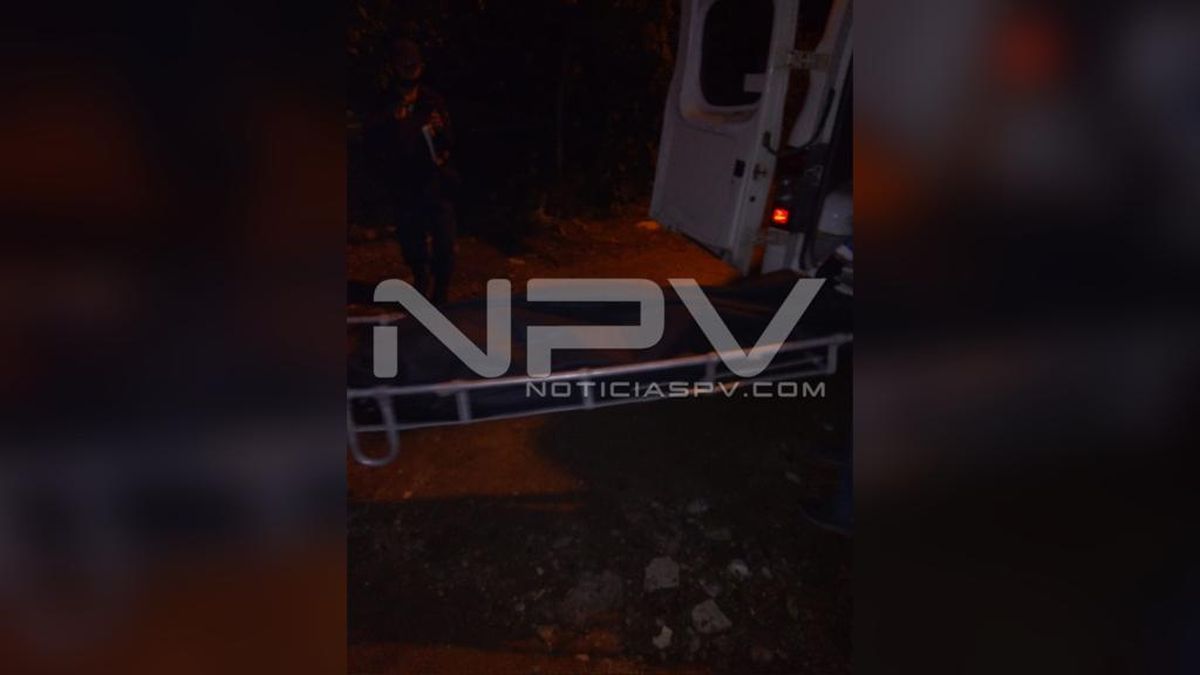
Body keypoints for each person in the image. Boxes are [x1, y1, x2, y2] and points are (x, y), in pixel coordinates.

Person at [365, 37, 458, 304]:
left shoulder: (431, 100)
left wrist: (441, 131)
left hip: (434, 181)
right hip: (404, 182)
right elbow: (372, 141)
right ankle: (421, 278)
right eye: (404, 64)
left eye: (413, 64)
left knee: (444, 239)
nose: (409, 69)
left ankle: (441, 291)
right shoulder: (385, 103)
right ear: (394, 66)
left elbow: (449, 141)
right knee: (411, 238)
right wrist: (391, 122)